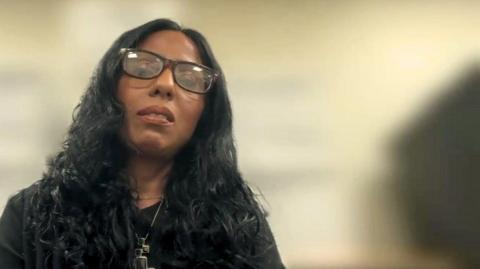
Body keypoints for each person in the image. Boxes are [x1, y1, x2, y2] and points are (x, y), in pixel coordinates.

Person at [0, 19, 285, 269]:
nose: (165, 85)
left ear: (206, 114)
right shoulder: (33, 215)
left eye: (189, 78)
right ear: (110, 90)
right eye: (143, 66)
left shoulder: (238, 226)